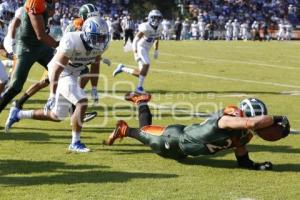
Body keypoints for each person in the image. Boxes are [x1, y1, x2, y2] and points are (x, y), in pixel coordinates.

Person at [5, 17, 110, 153]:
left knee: (56, 116)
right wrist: (52, 94)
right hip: (61, 73)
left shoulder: (99, 46)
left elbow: (95, 65)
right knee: (82, 101)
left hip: (73, 73)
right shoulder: (72, 40)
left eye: (103, 37)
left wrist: (94, 87)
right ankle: (75, 142)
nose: (101, 41)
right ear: (87, 34)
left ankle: (18, 114)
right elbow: (56, 69)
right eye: (98, 37)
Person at [105, 93, 290, 170]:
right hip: (173, 138)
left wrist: (254, 165)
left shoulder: (244, 134)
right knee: (145, 134)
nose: (261, 124)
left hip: (185, 151)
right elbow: (250, 123)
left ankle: (131, 118)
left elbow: (242, 157)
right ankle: (139, 105)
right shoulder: (227, 120)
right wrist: (278, 118)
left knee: (148, 134)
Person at [0, 0, 59, 114]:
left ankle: (74, 110)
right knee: (15, 86)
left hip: (41, 46)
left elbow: (49, 14)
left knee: (63, 70)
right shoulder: (34, 2)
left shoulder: (49, 2)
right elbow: (40, 35)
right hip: (26, 48)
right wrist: (59, 45)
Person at [112, 10, 163, 94]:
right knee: (147, 64)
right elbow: (135, 39)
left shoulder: (160, 27)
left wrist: (156, 50)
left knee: (142, 73)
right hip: (141, 47)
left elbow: (156, 39)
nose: (156, 20)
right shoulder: (146, 26)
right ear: (150, 18)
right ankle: (139, 88)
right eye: (154, 18)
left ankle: (122, 68)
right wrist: (135, 53)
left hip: (147, 49)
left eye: (158, 18)